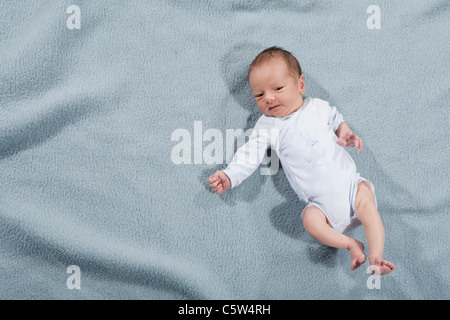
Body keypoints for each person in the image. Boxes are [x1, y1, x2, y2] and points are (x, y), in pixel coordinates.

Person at [209, 47, 394, 274]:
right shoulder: (268, 126)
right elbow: (249, 155)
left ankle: (376, 258)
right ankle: (350, 244)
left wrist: (345, 134)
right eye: (259, 95)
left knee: (368, 206)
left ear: (301, 85)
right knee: (309, 220)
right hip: (321, 208)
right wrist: (230, 175)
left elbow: (338, 121)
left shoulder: (317, 107)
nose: (268, 97)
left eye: (278, 88)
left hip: (351, 188)